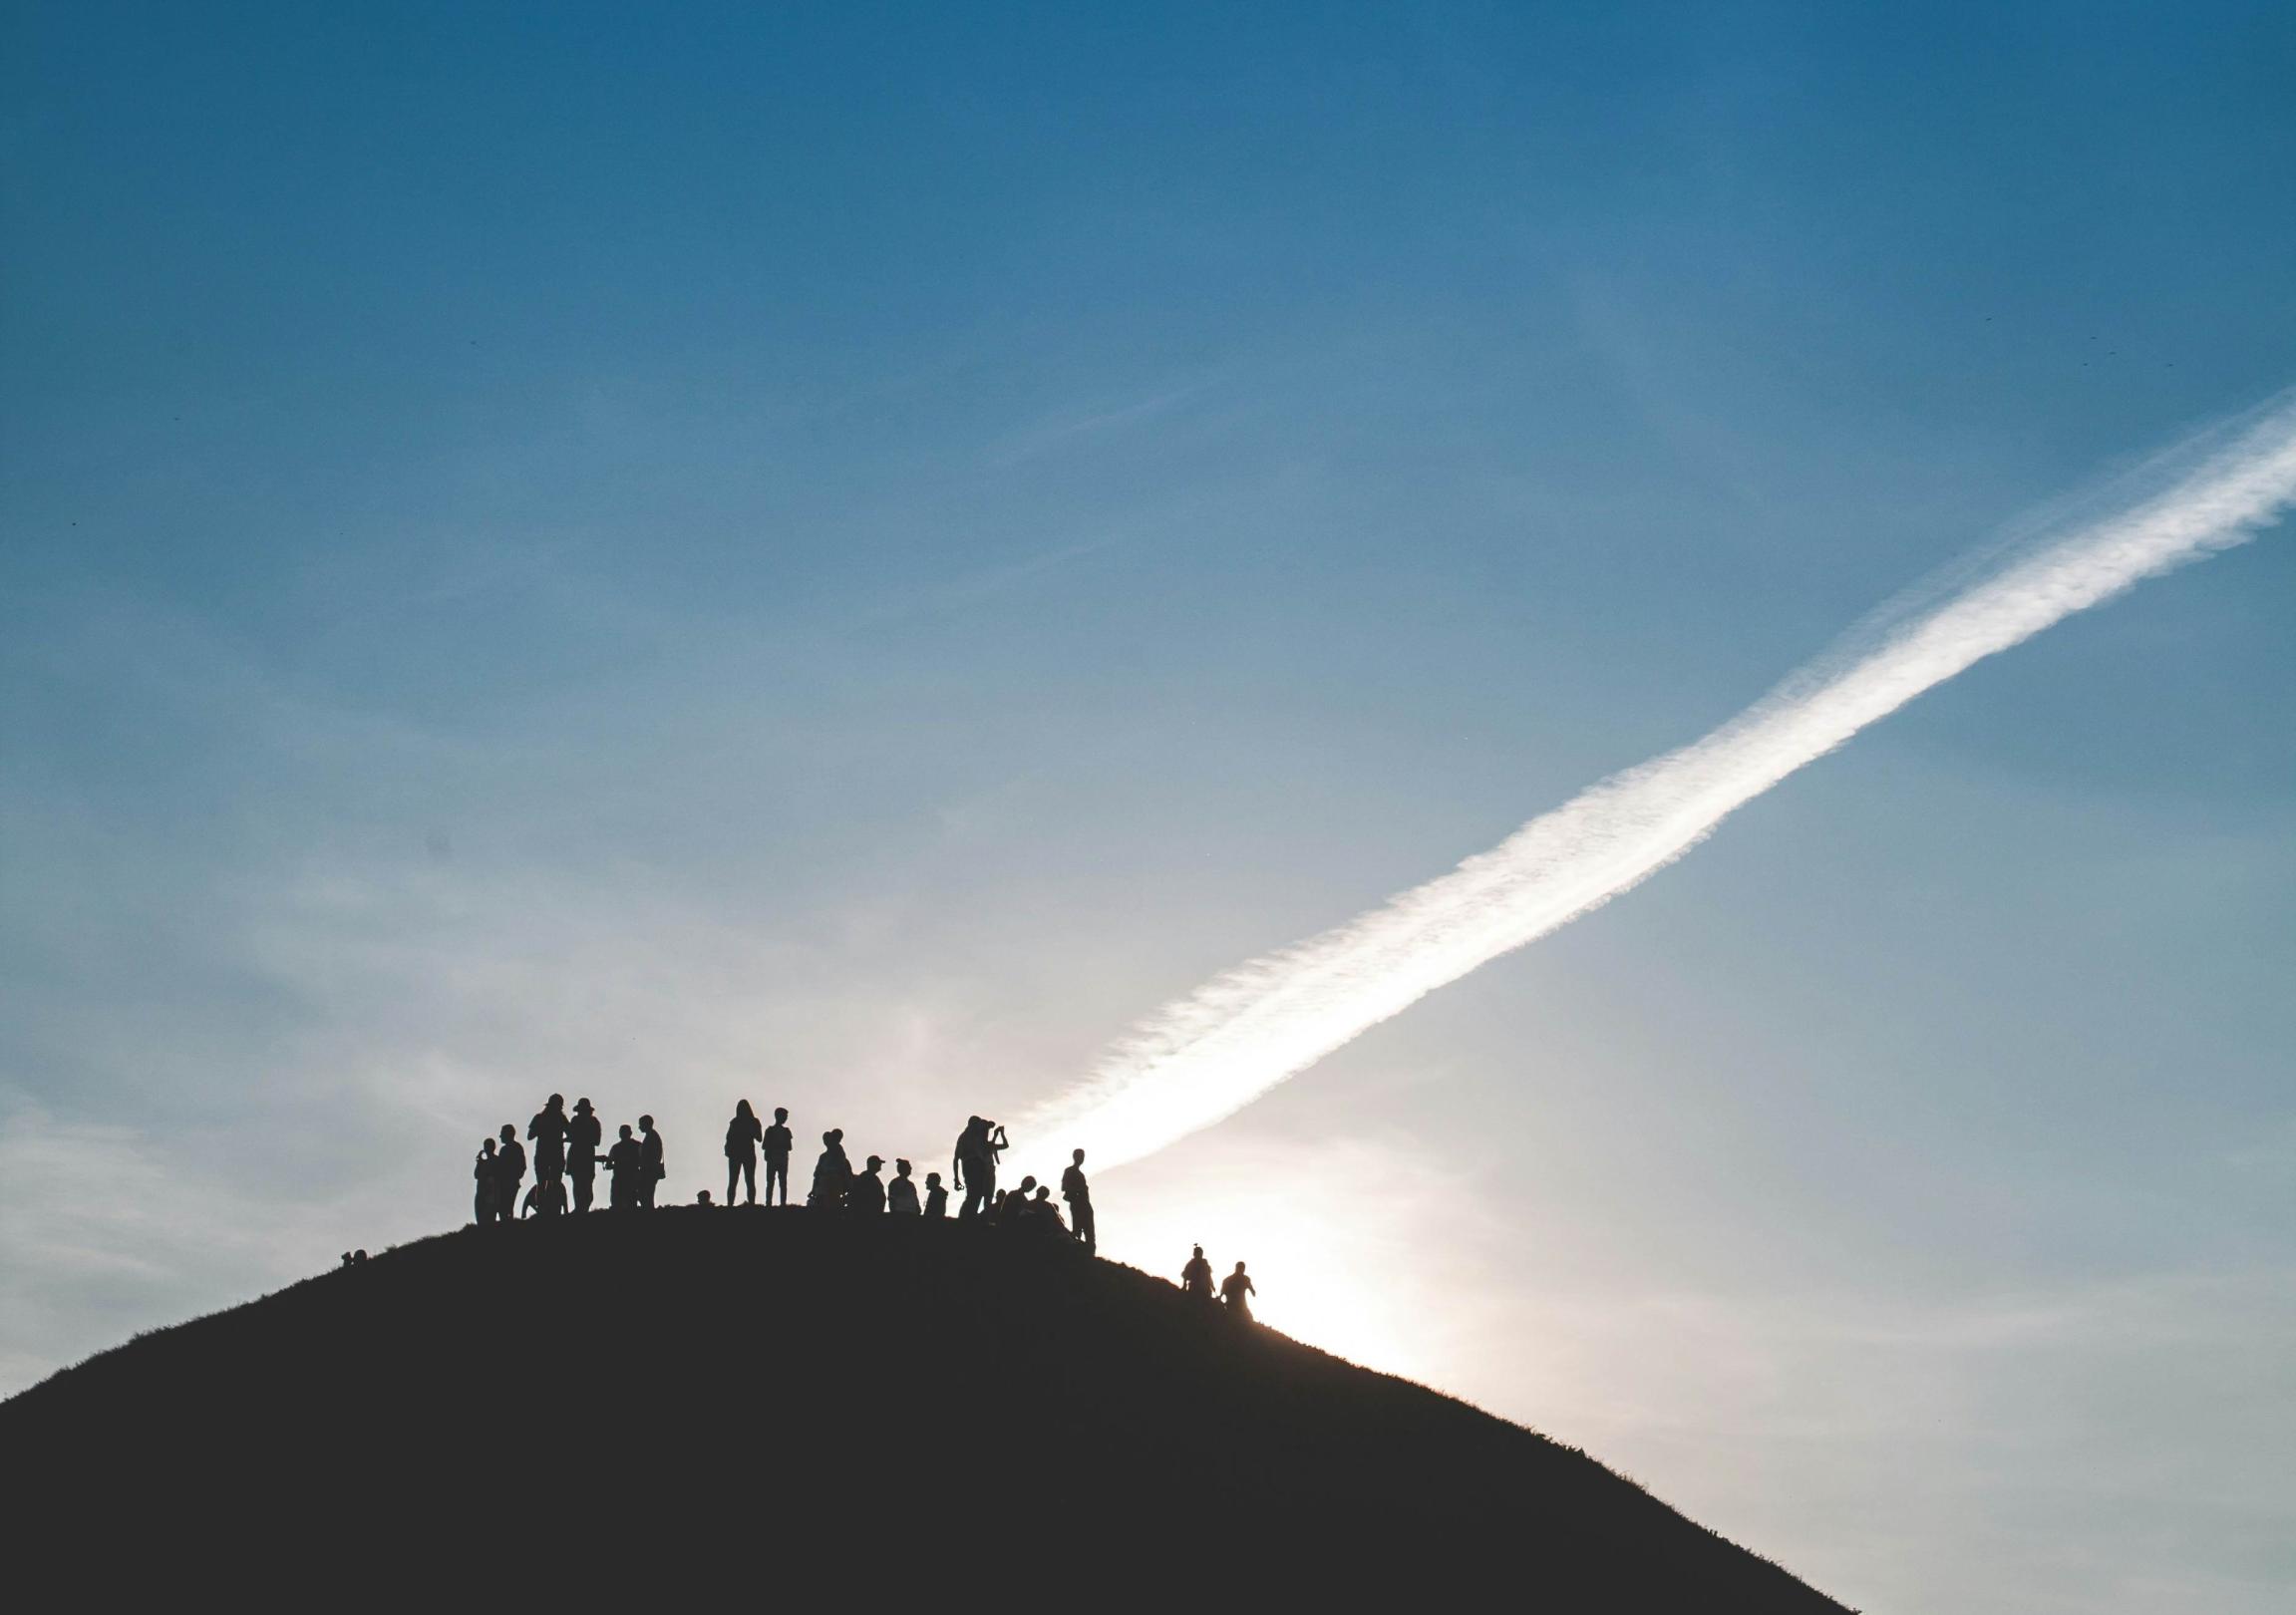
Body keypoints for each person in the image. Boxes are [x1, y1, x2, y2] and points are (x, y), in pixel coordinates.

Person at [952, 1116, 1007, 1220]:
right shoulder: (968, 1137)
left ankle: (968, 1218)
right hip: (973, 1165)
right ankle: (965, 1218)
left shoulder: (974, 1136)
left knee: (976, 1195)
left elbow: (990, 1126)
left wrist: (956, 1179)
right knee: (974, 1195)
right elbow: (956, 1159)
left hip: (976, 1166)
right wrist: (956, 1179)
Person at [725, 1100, 764, 1207]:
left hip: (741, 1154)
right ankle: (733, 1204)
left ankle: (732, 1204)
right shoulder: (748, 1122)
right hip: (743, 1154)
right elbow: (759, 1138)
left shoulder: (737, 1122)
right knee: (743, 1180)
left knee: (740, 1181)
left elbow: (759, 1138)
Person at [567, 1098, 603, 1214]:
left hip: (578, 1156)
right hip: (585, 1156)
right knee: (584, 1185)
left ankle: (580, 1210)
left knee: (580, 1185)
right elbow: (596, 1141)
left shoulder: (577, 1120)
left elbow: (572, 1137)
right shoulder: (593, 1122)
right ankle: (581, 1210)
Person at [526, 1094, 569, 1191]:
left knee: (541, 1184)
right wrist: (561, 1140)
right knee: (556, 1184)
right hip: (556, 1154)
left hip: (542, 1153)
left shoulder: (539, 1117)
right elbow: (571, 1135)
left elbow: (530, 1136)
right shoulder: (561, 1118)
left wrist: (541, 1129)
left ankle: (542, 1205)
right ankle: (554, 1205)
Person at [1060, 1148, 1095, 1254]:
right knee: (1077, 1230)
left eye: (1082, 1156)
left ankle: (1089, 1255)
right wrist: (1079, 1190)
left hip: (1085, 1204)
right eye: (1080, 1156)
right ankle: (1076, 1254)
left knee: (1089, 1233)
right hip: (1077, 1204)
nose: (1081, 1159)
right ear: (1075, 1157)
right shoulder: (1069, 1171)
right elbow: (1064, 1187)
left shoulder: (1080, 1174)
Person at [605, 1125, 644, 1210]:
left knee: (617, 1204)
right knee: (632, 1202)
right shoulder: (638, 1145)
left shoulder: (615, 1147)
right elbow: (643, 1162)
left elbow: (608, 1165)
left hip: (619, 1178)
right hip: (633, 1177)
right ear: (630, 1133)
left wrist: (617, 1165)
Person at [810, 1129, 851, 1210]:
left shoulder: (841, 1155)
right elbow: (817, 1175)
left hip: (834, 1184)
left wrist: (847, 1187)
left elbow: (845, 1173)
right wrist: (813, 1189)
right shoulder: (823, 1157)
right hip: (823, 1186)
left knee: (832, 1206)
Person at [763, 1107, 795, 1207]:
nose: (785, 1118)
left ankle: (778, 1203)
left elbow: (789, 1147)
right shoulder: (773, 1131)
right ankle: (774, 1203)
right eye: (784, 1116)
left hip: (779, 1159)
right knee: (776, 1182)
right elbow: (789, 1147)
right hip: (777, 1159)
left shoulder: (778, 1131)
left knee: (777, 1182)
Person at [494, 1125, 526, 1224]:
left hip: (510, 1183)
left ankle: (508, 1227)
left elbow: (521, 1166)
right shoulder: (508, 1149)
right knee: (504, 1208)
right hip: (506, 1183)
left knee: (506, 1207)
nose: (500, 1136)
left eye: (502, 1134)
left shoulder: (512, 1148)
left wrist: (513, 1177)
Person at [638, 1116, 664, 1210]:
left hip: (649, 1170)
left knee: (646, 1195)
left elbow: (649, 1156)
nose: (639, 1127)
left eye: (640, 1124)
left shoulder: (651, 1137)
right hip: (650, 1170)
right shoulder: (652, 1136)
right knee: (646, 1195)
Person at [472, 1137, 497, 1224]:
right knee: (480, 1219)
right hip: (480, 1193)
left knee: (489, 1218)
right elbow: (476, 1175)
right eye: (485, 1146)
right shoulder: (483, 1162)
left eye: (488, 1146)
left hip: (490, 1193)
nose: (486, 1149)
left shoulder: (496, 1160)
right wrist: (479, 1163)